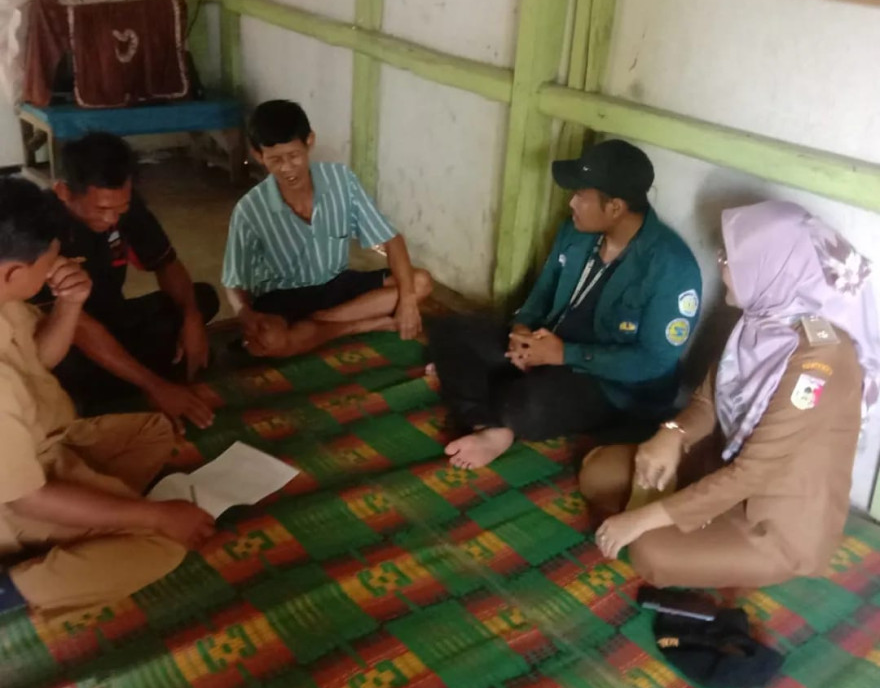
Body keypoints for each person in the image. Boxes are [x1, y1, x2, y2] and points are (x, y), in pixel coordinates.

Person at [583, 201, 880, 589]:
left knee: (649, 550)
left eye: (730, 257)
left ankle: (693, 522)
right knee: (597, 470)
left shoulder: (820, 360)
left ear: (772, 266)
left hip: (772, 521)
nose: (721, 265)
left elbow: (753, 472)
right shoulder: (757, 322)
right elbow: (707, 401)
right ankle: (692, 514)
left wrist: (643, 519)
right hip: (719, 468)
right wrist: (672, 434)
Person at [0, 177, 215, 615]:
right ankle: (14, 588)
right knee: (161, 545)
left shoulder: (7, 297)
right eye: (49, 263)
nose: (56, 269)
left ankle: (90, 511)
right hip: (15, 501)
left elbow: (40, 359)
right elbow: (28, 497)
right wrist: (155, 517)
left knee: (154, 430)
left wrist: (70, 302)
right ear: (14, 274)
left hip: (51, 444)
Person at [429, 139, 702, 469]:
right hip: (548, 345)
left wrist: (565, 355)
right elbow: (542, 293)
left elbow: (653, 361)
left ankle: (499, 408)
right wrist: (522, 330)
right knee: (450, 332)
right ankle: (489, 426)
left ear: (614, 208)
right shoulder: (576, 231)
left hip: (610, 383)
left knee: (523, 405)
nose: (572, 202)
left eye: (581, 195)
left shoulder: (671, 266)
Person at [222, 100, 433, 357]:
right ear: (258, 155)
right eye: (275, 159)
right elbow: (233, 279)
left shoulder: (340, 181)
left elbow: (391, 239)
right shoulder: (250, 210)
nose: (287, 168)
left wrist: (408, 302)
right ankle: (357, 325)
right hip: (282, 297)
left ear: (309, 141)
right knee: (268, 342)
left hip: (337, 284)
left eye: (294, 156)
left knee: (419, 283)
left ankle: (320, 321)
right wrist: (245, 313)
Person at [44, 132, 218, 430]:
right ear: (63, 191)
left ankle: (125, 378)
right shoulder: (40, 227)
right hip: (67, 336)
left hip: (115, 319)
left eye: (120, 209)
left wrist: (191, 319)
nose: (112, 219)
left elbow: (167, 264)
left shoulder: (126, 206)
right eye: (101, 209)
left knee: (201, 298)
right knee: (66, 369)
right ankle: (139, 377)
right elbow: (80, 328)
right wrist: (155, 385)